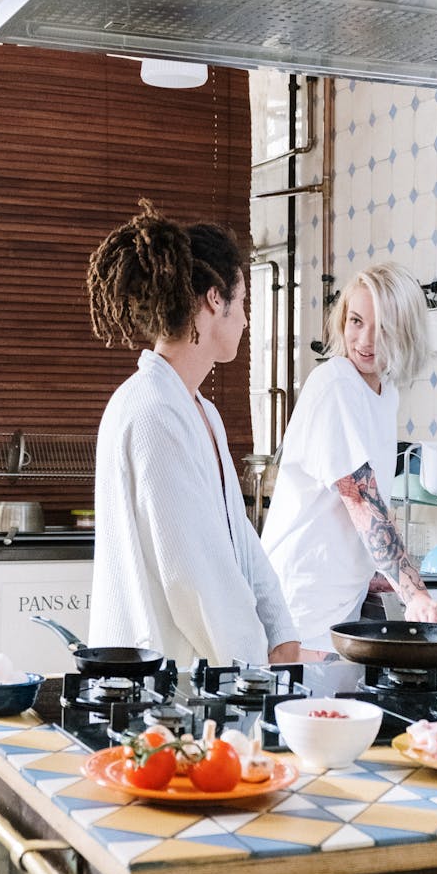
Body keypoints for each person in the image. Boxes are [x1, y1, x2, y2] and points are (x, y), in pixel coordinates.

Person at [86, 201, 301, 667]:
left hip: (196, 679)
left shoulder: (199, 409)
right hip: (155, 684)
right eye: (242, 302)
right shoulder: (152, 413)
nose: (245, 320)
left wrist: (282, 632)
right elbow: (195, 576)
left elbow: (237, 537)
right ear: (213, 300)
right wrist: (255, 667)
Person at [261, 261, 437, 651]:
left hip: (333, 604)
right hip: (299, 604)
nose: (365, 340)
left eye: (381, 327)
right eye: (356, 321)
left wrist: (376, 570)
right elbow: (361, 499)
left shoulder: (385, 394)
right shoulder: (335, 384)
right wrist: (414, 593)